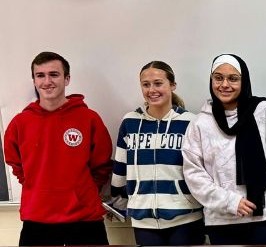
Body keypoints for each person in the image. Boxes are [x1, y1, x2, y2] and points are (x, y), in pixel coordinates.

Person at [4, 51, 113, 246]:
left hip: (85, 219)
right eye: (40, 75)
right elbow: (15, 163)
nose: (47, 81)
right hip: (37, 220)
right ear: (34, 80)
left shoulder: (89, 119)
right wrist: (37, 187)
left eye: (54, 74)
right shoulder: (20, 123)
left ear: (67, 78)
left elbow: (102, 164)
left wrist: (81, 192)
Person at [182, 54, 266, 244]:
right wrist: (229, 202)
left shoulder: (264, 111)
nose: (225, 84)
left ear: (244, 81)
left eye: (233, 79)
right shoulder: (200, 123)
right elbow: (193, 174)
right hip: (222, 220)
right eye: (218, 78)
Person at [110, 61, 204, 245]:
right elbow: (120, 168)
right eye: (146, 84)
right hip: (143, 221)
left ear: (172, 85)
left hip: (186, 217)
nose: (152, 89)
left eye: (158, 83)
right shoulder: (130, 122)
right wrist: (118, 201)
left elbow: (201, 171)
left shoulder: (190, 122)